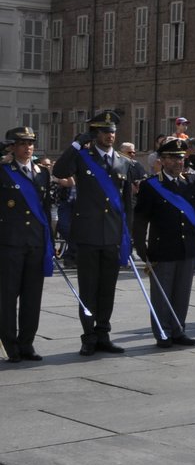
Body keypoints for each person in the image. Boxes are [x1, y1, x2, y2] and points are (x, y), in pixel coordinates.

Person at [54, 109, 139, 356]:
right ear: (95, 134)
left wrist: (128, 235)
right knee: (88, 288)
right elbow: (59, 171)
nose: (109, 135)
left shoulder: (124, 162)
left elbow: (126, 204)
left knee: (107, 289)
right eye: (104, 131)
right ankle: (88, 336)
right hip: (88, 234)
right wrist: (76, 144)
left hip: (112, 235)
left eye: (112, 131)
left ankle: (103, 333)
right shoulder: (83, 157)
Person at [131, 137, 195, 346]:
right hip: (162, 247)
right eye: (173, 158)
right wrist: (141, 248)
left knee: (182, 293)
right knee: (162, 294)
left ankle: (178, 330)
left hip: (186, 247)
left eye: (181, 158)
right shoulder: (151, 186)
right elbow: (140, 220)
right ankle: (163, 332)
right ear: (162, 161)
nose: (178, 162)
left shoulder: (191, 182)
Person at [0, 126, 51, 361]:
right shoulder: (3, 172)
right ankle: (10, 344)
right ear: (12, 146)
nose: (28, 147)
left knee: (33, 296)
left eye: (31, 143)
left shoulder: (42, 173)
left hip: (35, 243)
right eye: (22, 143)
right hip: (10, 242)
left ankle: (27, 342)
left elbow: (45, 208)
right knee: (8, 297)